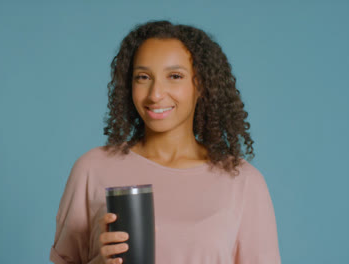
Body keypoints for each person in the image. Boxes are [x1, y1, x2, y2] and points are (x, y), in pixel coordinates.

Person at [49, 20, 281, 264]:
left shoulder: (242, 181)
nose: (155, 94)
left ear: (201, 85)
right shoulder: (91, 169)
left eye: (175, 76)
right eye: (143, 77)